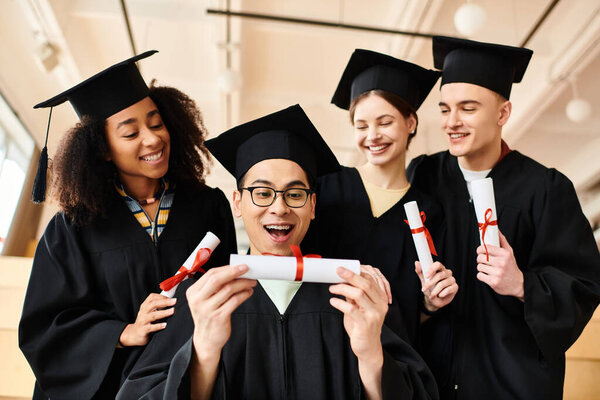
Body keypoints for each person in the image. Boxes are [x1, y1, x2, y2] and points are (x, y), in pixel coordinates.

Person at [117, 104, 439, 400]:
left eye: (295, 194)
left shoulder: (353, 296)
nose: (279, 207)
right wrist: (203, 351)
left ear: (312, 206)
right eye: (261, 193)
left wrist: (370, 354)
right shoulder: (201, 298)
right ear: (237, 203)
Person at [18, 50, 237, 400]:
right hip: (108, 387)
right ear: (104, 149)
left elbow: (228, 296)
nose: (152, 139)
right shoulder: (74, 227)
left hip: (186, 380)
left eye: (155, 123)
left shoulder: (207, 207)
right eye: (130, 133)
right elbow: (46, 327)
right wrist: (122, 332)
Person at [407, 36, 600, 400]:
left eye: (468, 108)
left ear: (502, 113)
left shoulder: (545, 188)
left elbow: (583, 286)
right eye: (445, 109)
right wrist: (426, 302)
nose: (452, 122)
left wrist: (522, 284)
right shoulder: (425, 177)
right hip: (431, 381)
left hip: (510, 385)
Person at [303, 49, 458, 345]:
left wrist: (431, 303)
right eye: (361, 126)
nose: (372, 135)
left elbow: (418, 315)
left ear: (410, 123)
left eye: (384, 122)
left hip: (390, 361)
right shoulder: (326, 189)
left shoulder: (429, 212)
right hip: (321, 347)